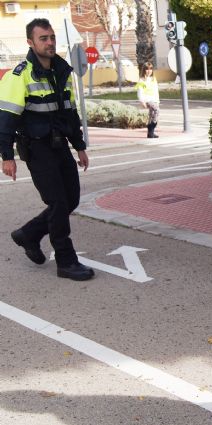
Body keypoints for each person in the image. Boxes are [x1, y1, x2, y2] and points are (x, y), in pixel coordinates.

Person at [0, 18, 95, 281]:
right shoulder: (19, 75)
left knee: (71, 200)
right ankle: (66, 261)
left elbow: (70, 114)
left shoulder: (62, 71)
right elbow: (5, 119)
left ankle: (27, 235)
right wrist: (7, 156)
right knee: (57, 202)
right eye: (44, 38)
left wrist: (80, 147)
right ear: (30, 42)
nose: (50, 42)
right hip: (37, 147)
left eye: (52, 37)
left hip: (60, 145)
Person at [136, 62, 160, 138]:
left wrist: (158, 101)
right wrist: (142, 101)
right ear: (144, 70)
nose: (149, 71)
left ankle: (150, 133)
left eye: (150, 69)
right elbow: (140, 92)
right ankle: (151, 127)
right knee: (156, 110)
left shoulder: (153, 79)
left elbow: (156, 91)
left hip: (154, 100)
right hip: (147, 100)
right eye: (147, 69)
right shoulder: (141, 80)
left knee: (151, 115)